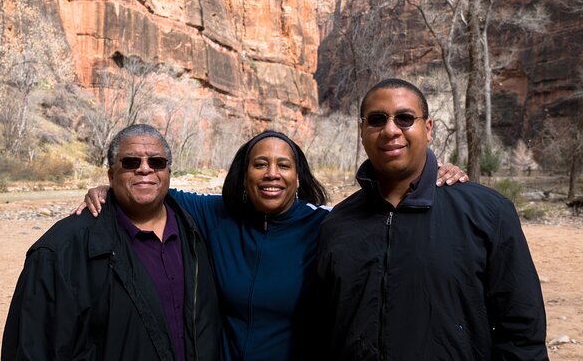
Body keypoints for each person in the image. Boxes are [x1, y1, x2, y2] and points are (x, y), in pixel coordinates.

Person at [76, 130, 468, 360]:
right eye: (260, 163)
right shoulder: (215, 215)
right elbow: (151, 186)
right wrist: (109, 187)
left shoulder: (328, 225)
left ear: (299, 176)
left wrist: (434, 173)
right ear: (243, 173)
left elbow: (389, 216)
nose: (272, 174)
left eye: (284, 165)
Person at [314, 78, 548, 360]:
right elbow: (323, 329)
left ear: (427, 129)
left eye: (405, 118)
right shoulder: (336, 225)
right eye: (377, 120)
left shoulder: (488, 213)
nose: (390, 130)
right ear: (361, 131)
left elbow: (523, 334)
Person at [2, 124, 221, 360]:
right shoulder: (61, 250)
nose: (145, 169)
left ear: (168, 171)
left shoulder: (197, 231)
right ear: (111, 175)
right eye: (130, 162)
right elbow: (32, 347)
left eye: (156, 162)